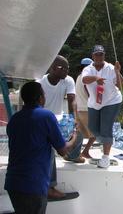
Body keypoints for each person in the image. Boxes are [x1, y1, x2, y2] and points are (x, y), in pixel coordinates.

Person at [5, 82, 77, 214]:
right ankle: (51, 188)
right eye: (43, 94)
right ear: (40, 98)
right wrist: (74, 138)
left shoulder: (14, 119)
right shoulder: (46, 116)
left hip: (13, 184)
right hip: (33, 185)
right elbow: (63, 150)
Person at [38, 55, 84, 200]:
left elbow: (72, 101)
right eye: (62, 68)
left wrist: (74, 120)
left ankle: (72, 155)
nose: (66, 70)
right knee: (49, 149)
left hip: (58, 118)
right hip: (43, 118)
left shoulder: (68, 80)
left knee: (79, 132)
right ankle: (50, 186)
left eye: (67, 68)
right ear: (52, 68)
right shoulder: (40, 82)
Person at [82, 45, 123, 168]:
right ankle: (107, 140)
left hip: (111, 101)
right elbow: (84, 80)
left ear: (104, 55)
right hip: (94, 103)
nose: (99, 57)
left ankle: (105, 157)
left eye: (101, 54)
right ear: (93, 56)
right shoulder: (88, 68)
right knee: (93, 128)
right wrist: (96, 78)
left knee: (106, 128)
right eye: (97, 54)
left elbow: (121, 84)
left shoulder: (110, 68)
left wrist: (117, 72)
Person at [75, 58, 96, 159]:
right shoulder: (86, 78)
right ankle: (85, 151)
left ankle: (74, 153)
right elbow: (90, 94)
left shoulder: (78, 77)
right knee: (96, 133)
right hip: (87, 109)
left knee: (80, 133)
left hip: (79, 109)